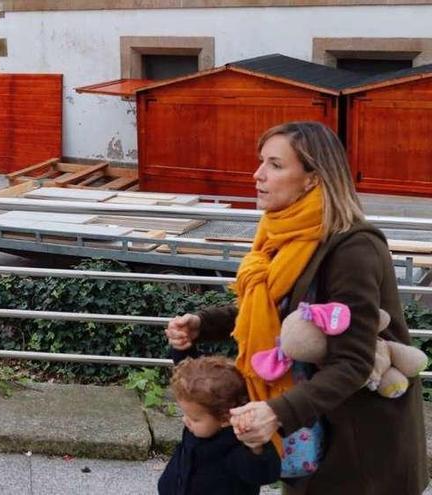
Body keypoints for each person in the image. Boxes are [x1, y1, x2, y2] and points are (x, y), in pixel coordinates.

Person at [164, 121, 427, 494]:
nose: (257, 175)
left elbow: (352, 362)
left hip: (357, 441)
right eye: (261, 162)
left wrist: (277, 412)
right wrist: (202, 324)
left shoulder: (353, 249)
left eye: (274, 165)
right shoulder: (284, 234)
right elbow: (277, 310)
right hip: (309, 427)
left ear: (312, 179)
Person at [158, 352, 280, 495]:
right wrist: (181, 349)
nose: (185, 420)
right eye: (185, 414)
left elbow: (264, 474)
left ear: (225, 419)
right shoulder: (199, 426)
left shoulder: (238, 444)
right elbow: (195, 374)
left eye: (194, 419)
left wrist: (256, 447)